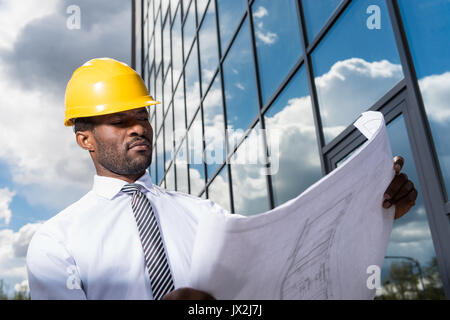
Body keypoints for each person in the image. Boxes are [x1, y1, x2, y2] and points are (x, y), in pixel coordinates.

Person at [26, 58, 418, 300]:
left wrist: (371, 210)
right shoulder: (57, 240)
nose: (138, 129)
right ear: (84, 139)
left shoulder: (206, 214)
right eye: (119, 121)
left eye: (142, 116)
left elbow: (282, 273)